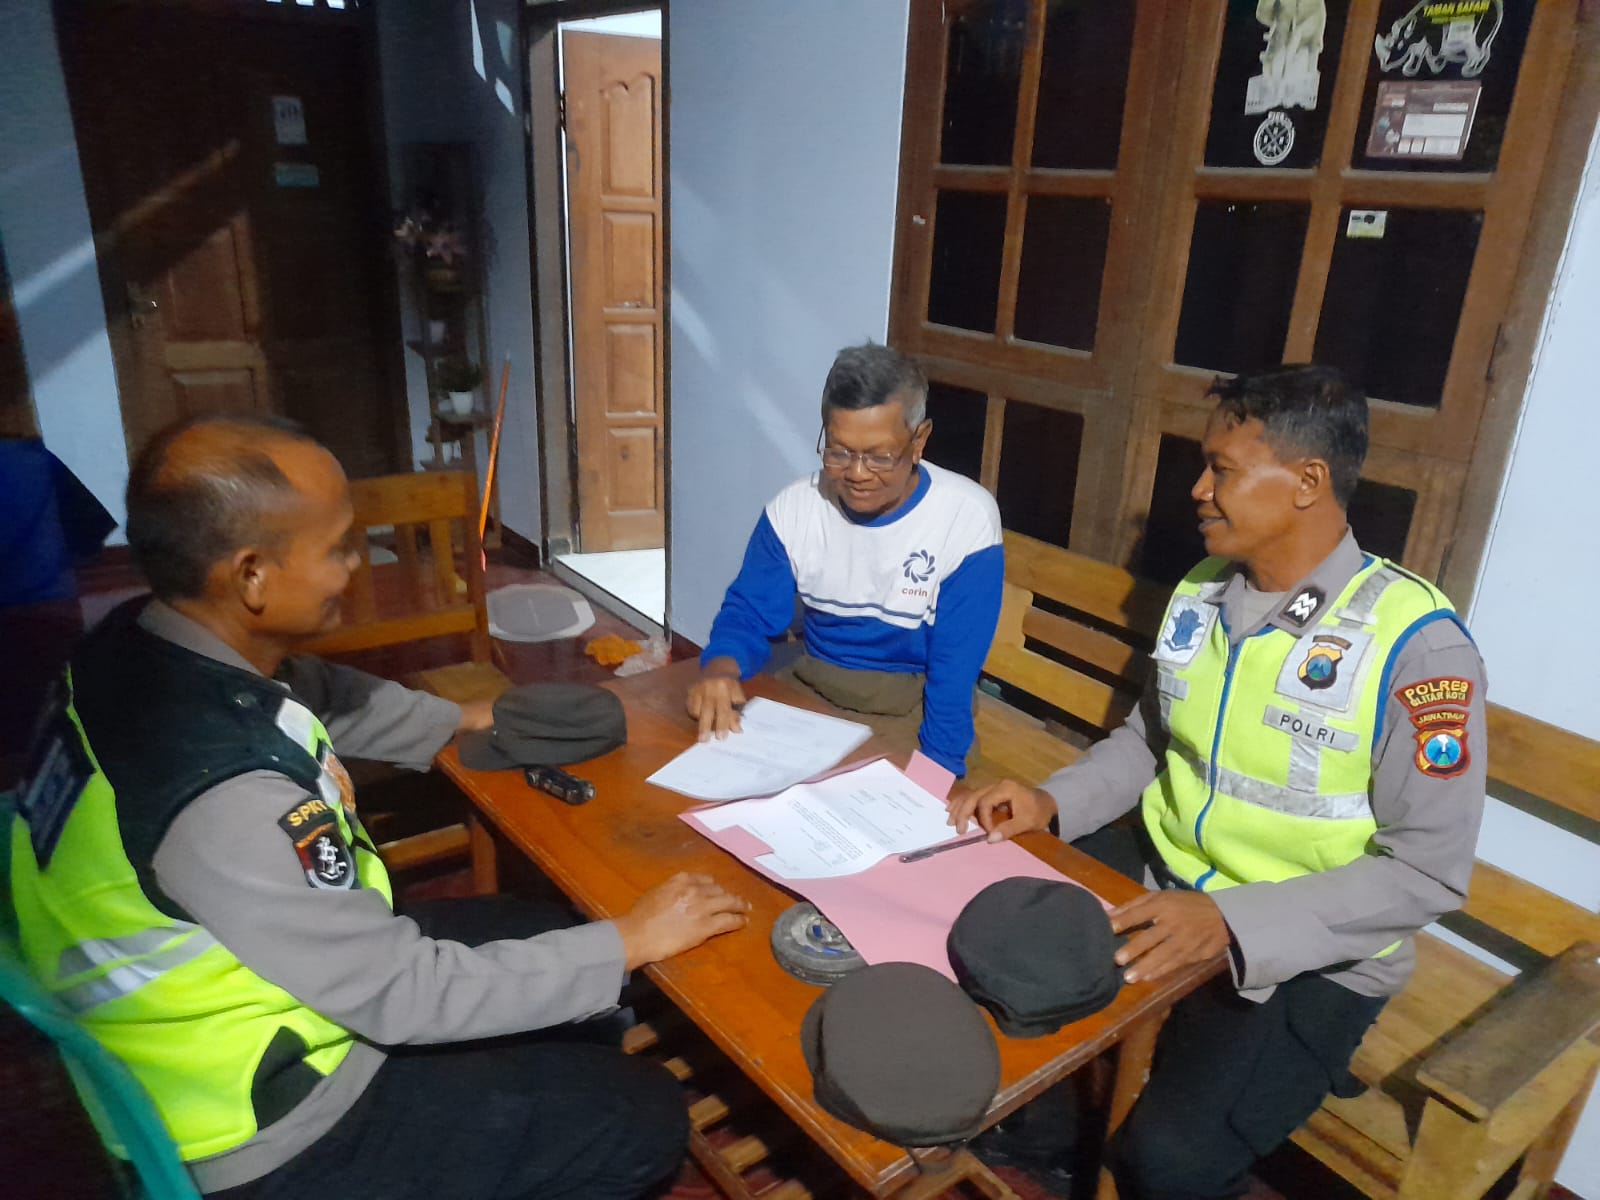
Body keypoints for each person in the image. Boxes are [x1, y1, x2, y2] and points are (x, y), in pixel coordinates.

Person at [9, 415, 751, 1200]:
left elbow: (308, 692)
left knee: (545, 930)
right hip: (268, 1124)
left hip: (238, 997)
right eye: (338, 548)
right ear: (252, 575)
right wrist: (630, 941)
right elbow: (403, 994)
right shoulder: (225, 793)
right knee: (640, 1113)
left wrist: (459, 720)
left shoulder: (137, 639)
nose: (357, 565)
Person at [949, 365, 1487, 1200]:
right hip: (1167, 877)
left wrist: (1233, 921)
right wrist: (1055, 801)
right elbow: (1150, 740)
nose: (1198, 490)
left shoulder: (1415, 646)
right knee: (996, 950)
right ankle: (1052, 1145)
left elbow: (1426, 872)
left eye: (1222, 470)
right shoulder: (1203, 592)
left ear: (1307, 481)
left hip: (1312, 949)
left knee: (1167, 1160)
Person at [688, 343, 1004, 776]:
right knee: (717, 770)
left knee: (884, 809)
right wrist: (721, 668)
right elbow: (747, 613)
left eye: (879, 456)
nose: (856, 474)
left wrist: (934, 778)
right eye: (839, 452)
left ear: (919, 441)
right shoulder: (795, 509)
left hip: (911, 707)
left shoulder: (965, 520)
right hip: (813, 686)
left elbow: (953, 677)